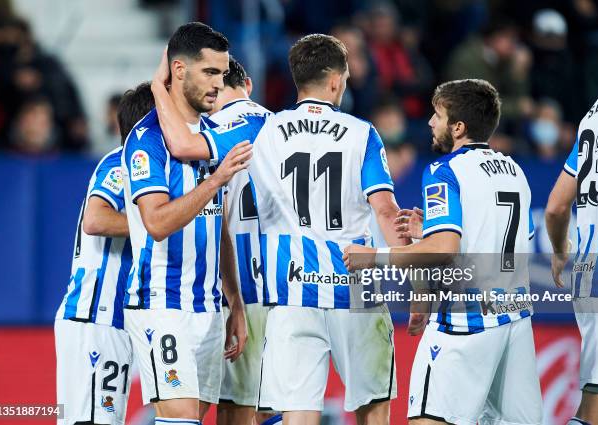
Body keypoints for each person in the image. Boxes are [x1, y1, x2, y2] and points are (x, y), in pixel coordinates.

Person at [150, 34, 405, 424]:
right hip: (354, 289)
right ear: (337, 81)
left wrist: (158, 87)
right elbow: (386, 212)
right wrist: (416, 268)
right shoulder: (360, 132)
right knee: (373, 409)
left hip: (292, 290)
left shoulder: (268, 130)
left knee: (295, 413)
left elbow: (184, 146)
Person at [344, 79, 542, 424]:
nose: (431, 123)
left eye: (438, 115)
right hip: (515, 320)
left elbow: (445, 248)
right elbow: (501, 237)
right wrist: (429, 232)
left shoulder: (444, 170)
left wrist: (374, 256)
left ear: (459, 127)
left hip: (464, 323)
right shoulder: (515, 171)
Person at [121, 22, 249, 425]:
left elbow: (220, 227)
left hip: (208, 307)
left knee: (195, 416)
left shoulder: (212, 135)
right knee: (179, 419)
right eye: (209, 72)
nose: (218, 84)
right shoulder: (147, 141)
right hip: (161, 304)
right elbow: (156, 222)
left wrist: (235, 301)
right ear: (178, 70)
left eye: (223, 74)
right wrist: (215, 180)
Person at [54, 81, 154, 425]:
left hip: (110, 318)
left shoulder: (143, 168)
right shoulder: (121, 163)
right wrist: (155, 221)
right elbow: (95, 220)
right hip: (95, 314)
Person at [209, 57, 279, 425]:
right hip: (289, 284)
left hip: (238, 288)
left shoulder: (205, 135)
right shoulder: (286, 128)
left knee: (235, 406)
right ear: (247, 84)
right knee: (283, 401)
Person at [545, 95, 598, 425]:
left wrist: (559, 248)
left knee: (593, 399)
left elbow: (555, 206)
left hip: (587, 268)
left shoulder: (591, 115)